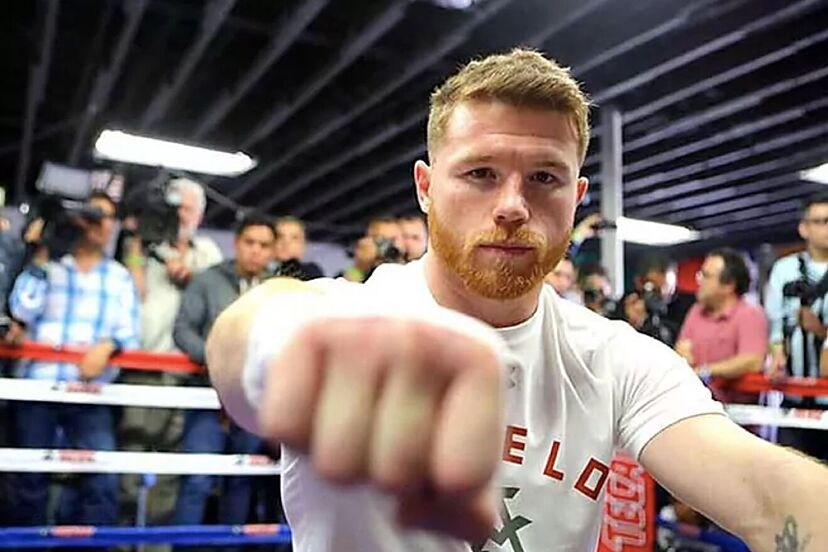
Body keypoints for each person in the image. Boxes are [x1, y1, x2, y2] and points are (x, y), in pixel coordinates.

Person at [206, 49, 827, 552]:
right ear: (425, 187)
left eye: (544, 178)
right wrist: (287, 352)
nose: (510, 205)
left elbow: (767, 497)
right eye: (479, 173)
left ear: (577, 196)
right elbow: (246, 337)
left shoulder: (615, 359)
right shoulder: (349, 316)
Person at [6, 192, 140, 526]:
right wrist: (41, 251)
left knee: (101, 481)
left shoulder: (119, 276)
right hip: (39, 387)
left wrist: (107, 346)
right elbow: (21, 309)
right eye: (90, 215)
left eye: (105, 216)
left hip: (90, 390)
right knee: (27, 481)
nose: (97, 223)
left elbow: (129, 330)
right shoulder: (48, 266)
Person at [118, 177, 223, 530]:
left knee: (170, 468)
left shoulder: (207, 251)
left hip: (185, 372)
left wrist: (189, 272)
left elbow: (215, 296)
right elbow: (134, 291)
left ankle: (156, 543)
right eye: (175, 207)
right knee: (129, 461)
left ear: (200, 215)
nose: (181, 215)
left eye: (188, 209)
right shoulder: (141, 245)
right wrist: (137, 242)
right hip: (143, 366)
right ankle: (121, 541)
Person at [172, 213, 276, 528]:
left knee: (241, 483)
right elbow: (182, 330)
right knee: (198, 481)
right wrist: (214, 357)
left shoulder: (277, 287)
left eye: (264, 245)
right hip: (208, 396)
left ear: (272, 250)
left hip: (254, 402)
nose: (256, 250)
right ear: (236, 243)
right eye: (250, 243)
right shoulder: (208, 280)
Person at [765, 191, 828, 461]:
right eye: (820, 221)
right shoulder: (784, 269)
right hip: (793, 396)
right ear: (804, 228)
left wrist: (821, 331)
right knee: (791, 473)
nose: (826, 228)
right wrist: (777, 354)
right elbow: (775, 324)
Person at [675, 249, 768, 403]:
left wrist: (706, 371)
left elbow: (753, 361)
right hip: (697, 412)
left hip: (736, 420)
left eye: (706, 276)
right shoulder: (696, 312)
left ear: (728, 285)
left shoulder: (750, 314)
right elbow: (682, 350)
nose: (699, 281)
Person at [620, 255, 695, 346]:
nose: (662, 295)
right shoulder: (629, 303)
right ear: (639, 282)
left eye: (668, 288)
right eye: (655, 290)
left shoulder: (690, 306)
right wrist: (630, 323)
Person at [273, 216, 323, 280]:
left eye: (295, 238)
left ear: (303, 245)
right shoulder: (260, 272)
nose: (286, 243)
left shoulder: (312, 273)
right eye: (280, 236)